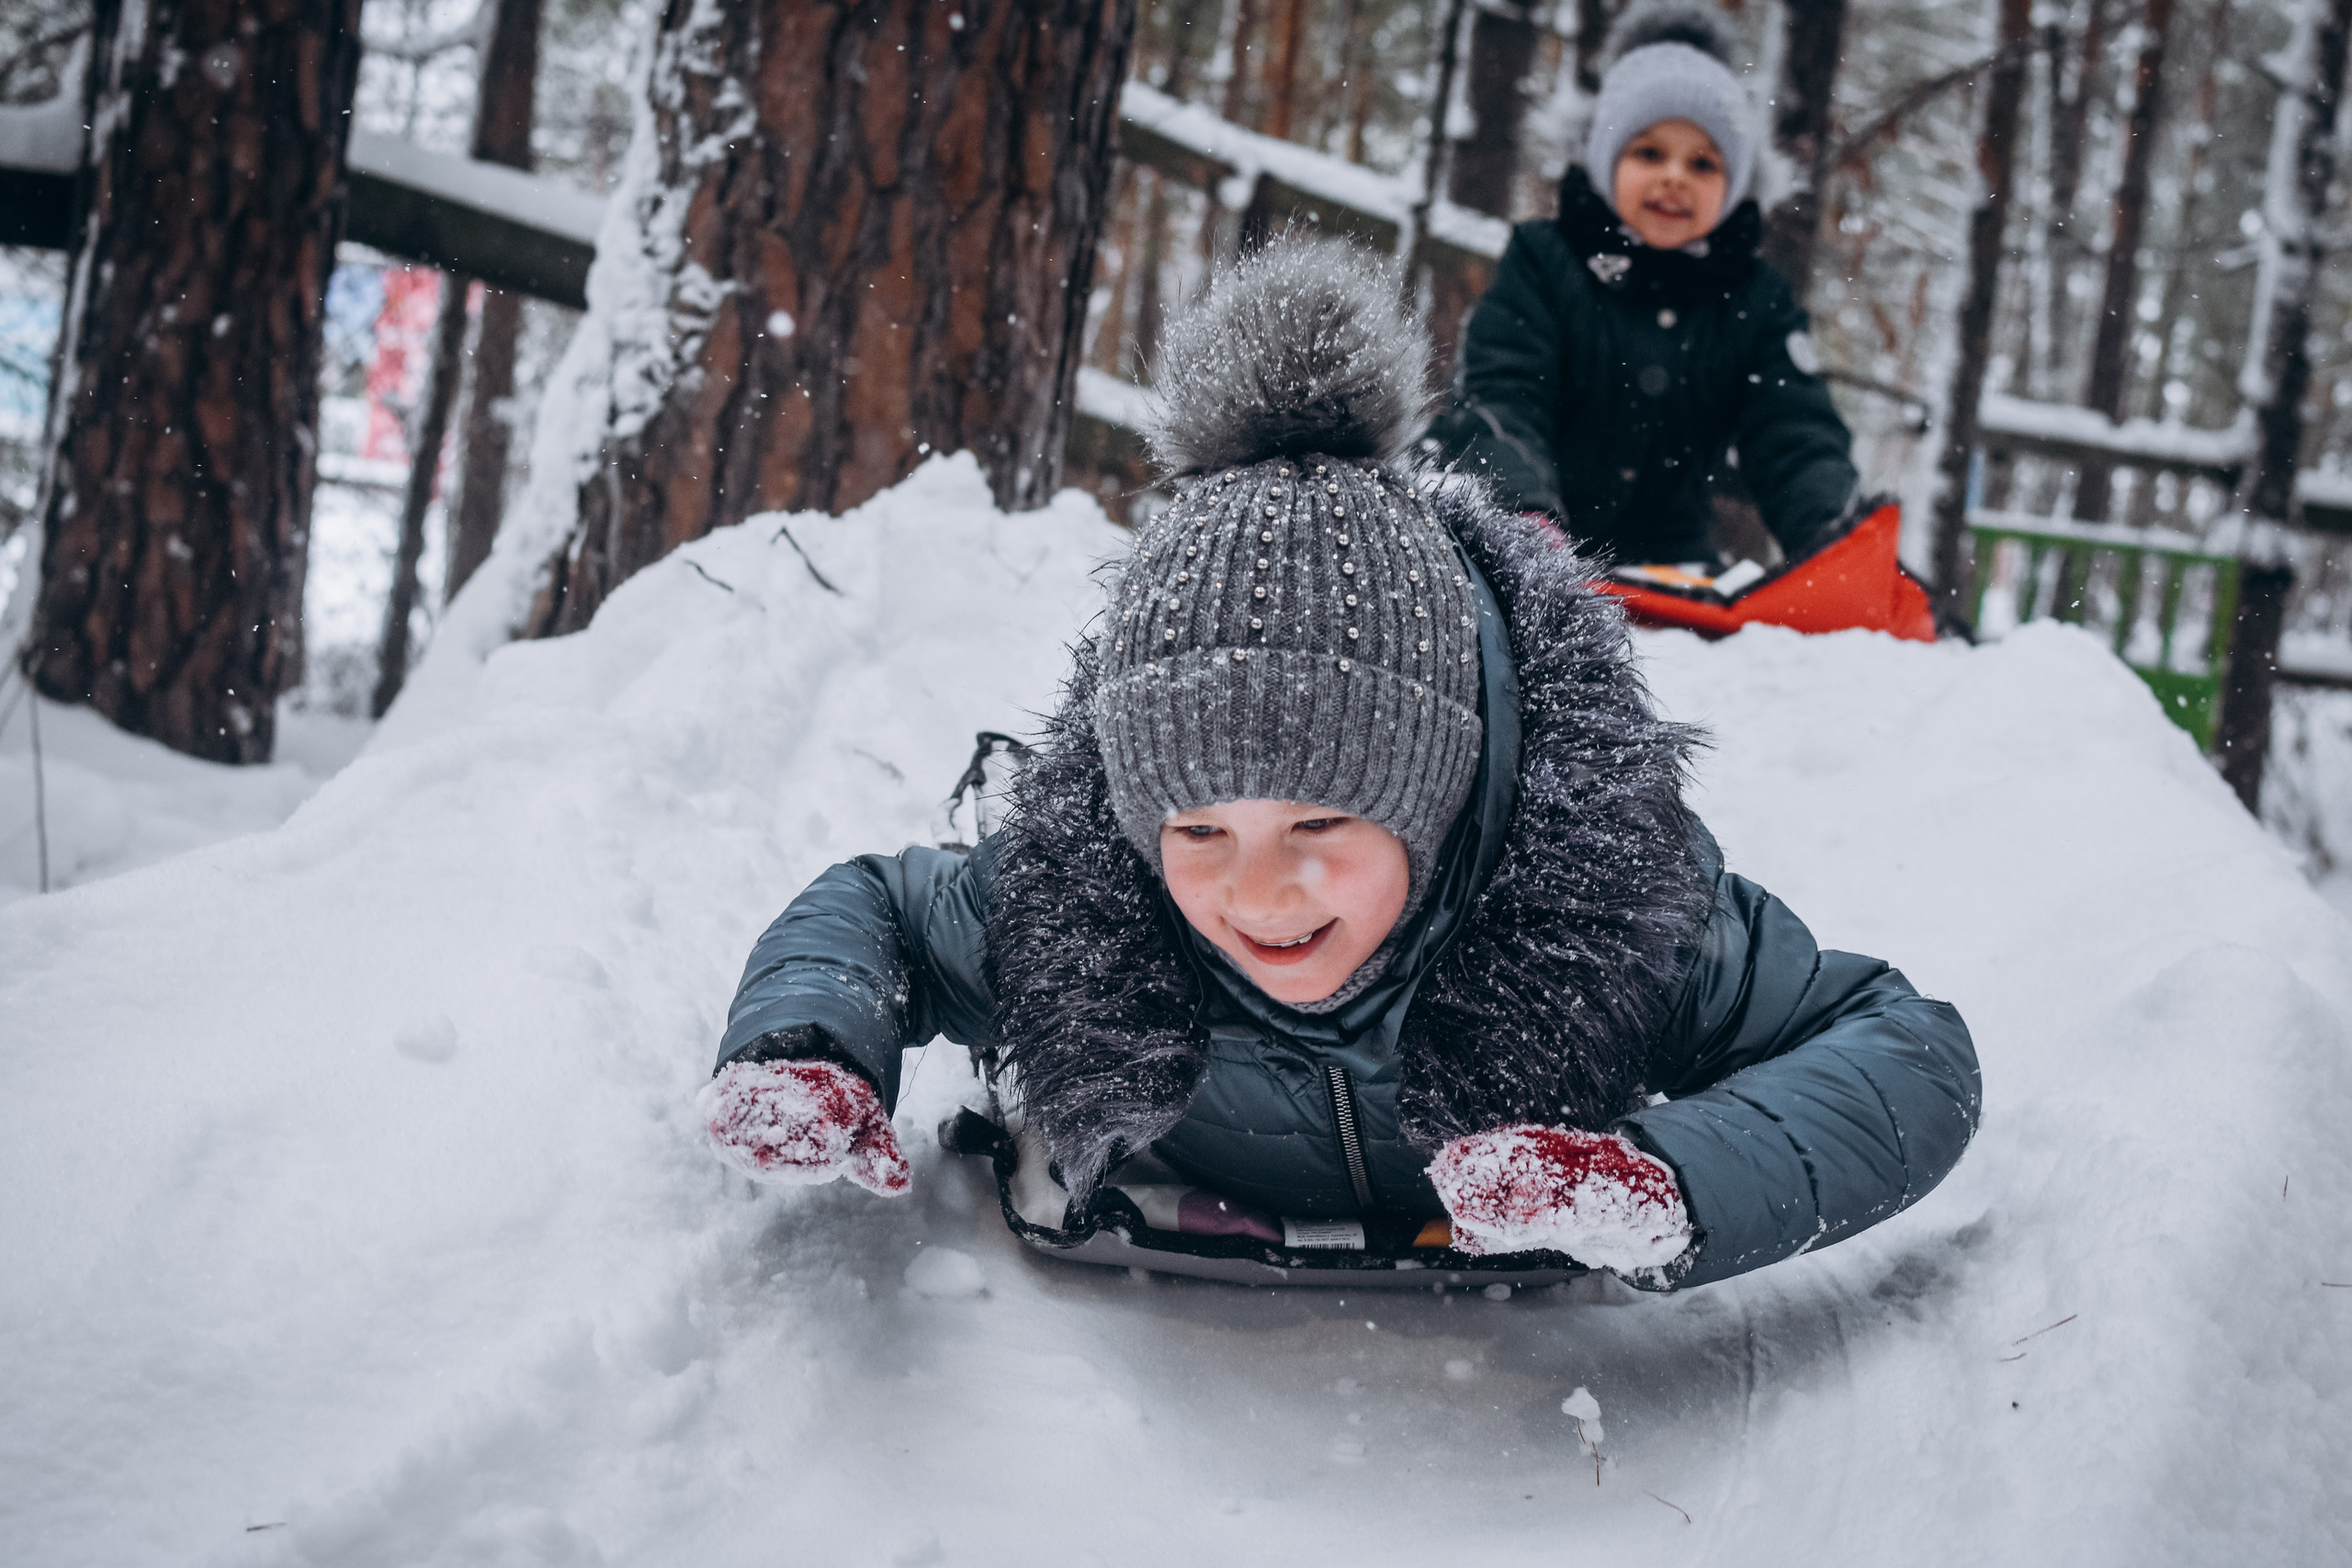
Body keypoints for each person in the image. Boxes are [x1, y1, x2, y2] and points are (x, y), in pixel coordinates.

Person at [698, 240, 1977, 1292]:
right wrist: (812, 1045)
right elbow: (876, 909)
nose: (1259, 892)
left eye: (1320, 819)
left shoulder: (1605, 926)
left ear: (1434, 794)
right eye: (1198, 830)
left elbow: (1906, 1051)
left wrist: (1667, 1176)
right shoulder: (1083, 915)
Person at [1424, 5, 1859, 569]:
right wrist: (1521, 511)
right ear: (1605, 161)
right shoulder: (1544, 262)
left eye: (1703, 164)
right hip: (1526, 548)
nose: (1674, 177)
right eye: (1649, 153)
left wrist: (1831, 528)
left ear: (1735, 187)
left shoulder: (1755, 300)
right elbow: (1503, 396)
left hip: (1670, 566)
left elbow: (1794, 431)